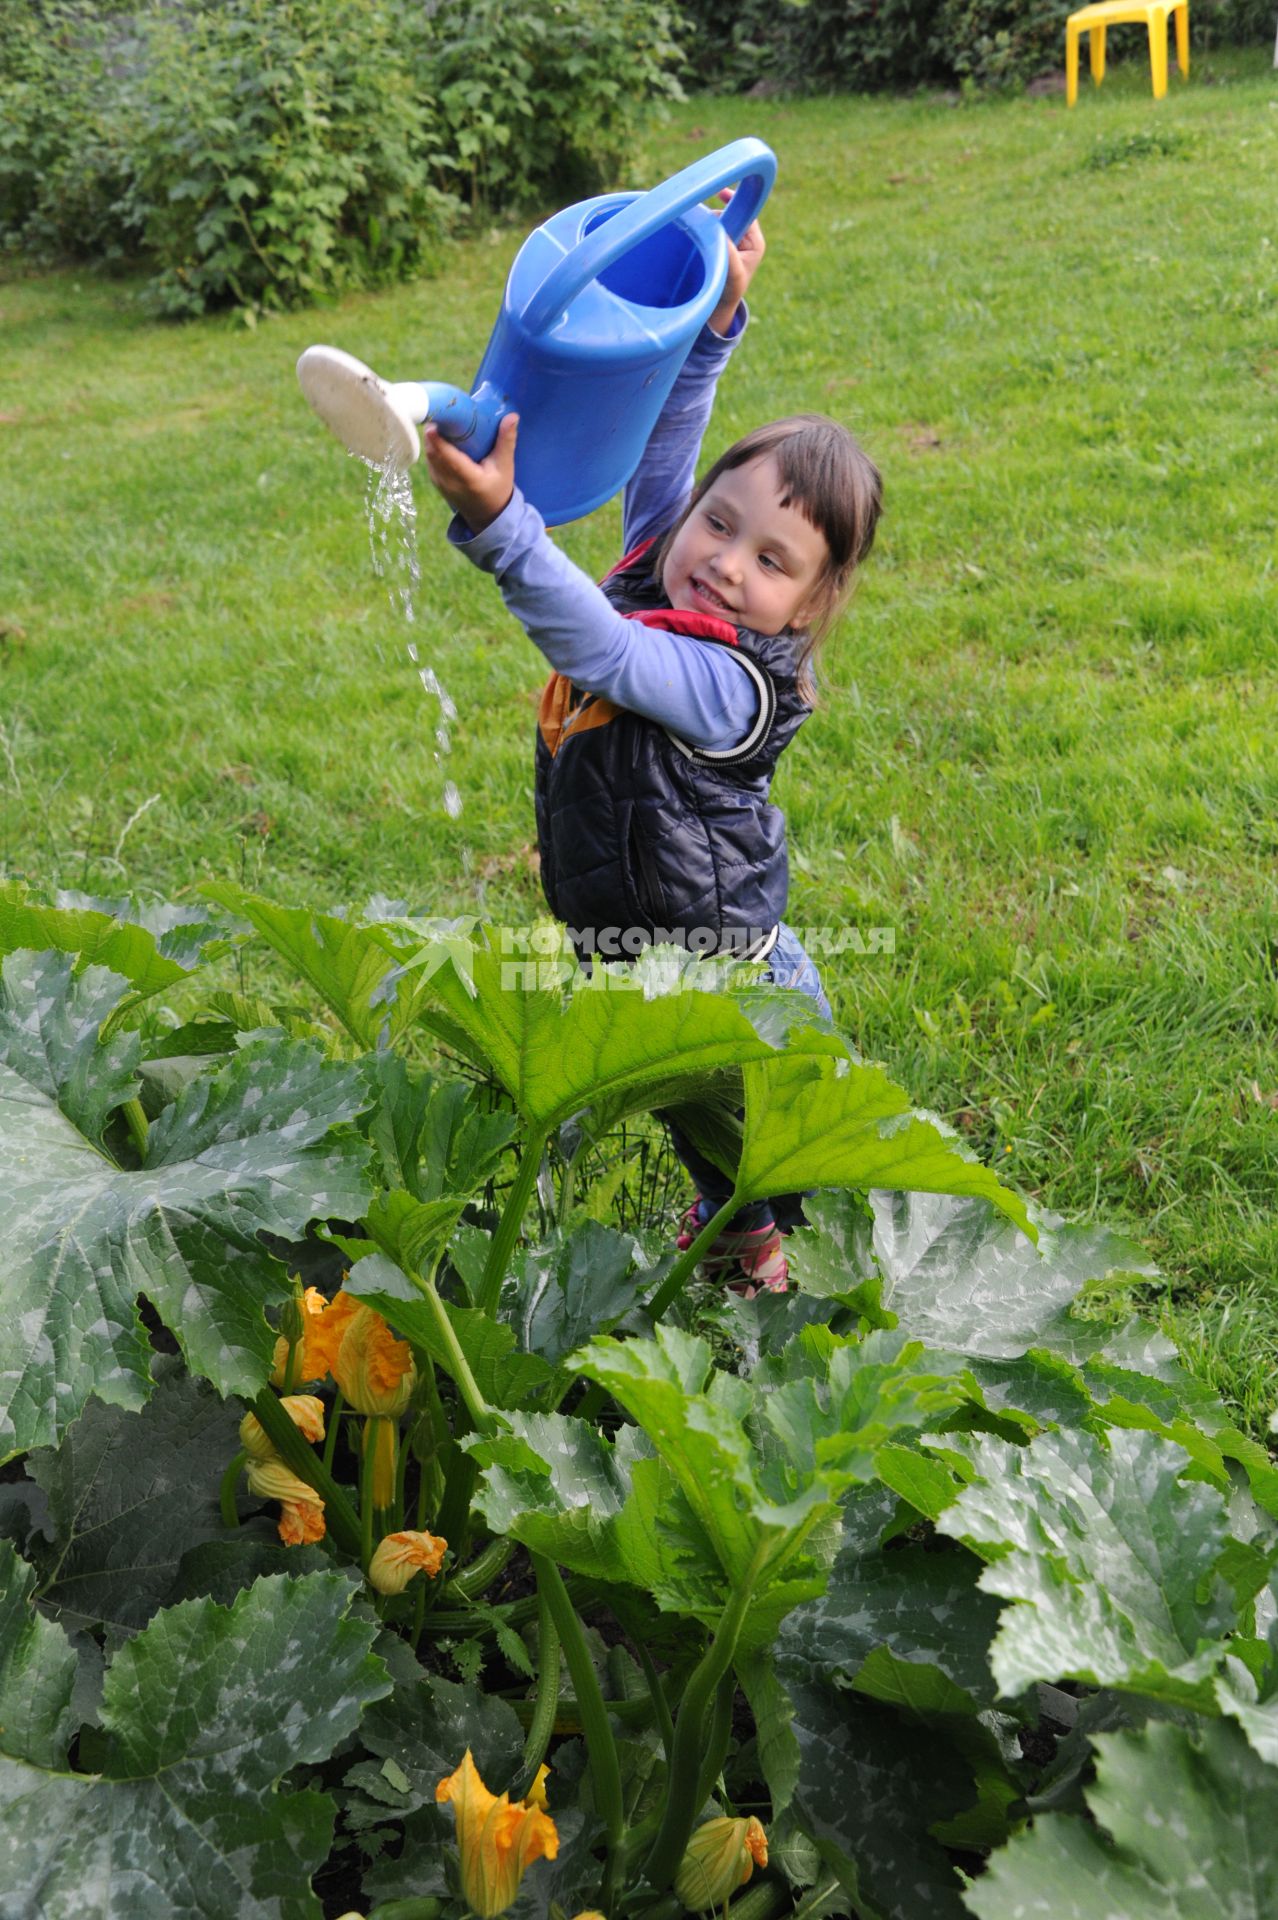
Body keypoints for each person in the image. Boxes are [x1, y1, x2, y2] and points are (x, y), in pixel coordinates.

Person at [424, 195, 882, 1295]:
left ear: (807, 609)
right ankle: (741, 1245)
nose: (726, 562)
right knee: (707, 1157)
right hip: (647, 953)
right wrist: (711, 330)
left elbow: (601, 650)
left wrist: (501, 530)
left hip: (729, 986)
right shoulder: (659, 572)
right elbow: (667, 448)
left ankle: (781, 1279)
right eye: (720, 523)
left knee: (756, 1176)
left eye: (773, 561)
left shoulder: (724, 683)